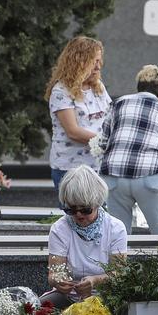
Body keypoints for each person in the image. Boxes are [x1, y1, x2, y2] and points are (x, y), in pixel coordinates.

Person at [95, 65, 158, 236]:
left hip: (114, 175)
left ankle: (116, 264)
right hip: (152, 176)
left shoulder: (119, 103)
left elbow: (103, 143)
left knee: (116, 237)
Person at [41, 165, 127, 309]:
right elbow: (54, 273)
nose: (79, 215)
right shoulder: (59, 228)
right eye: (71, 209)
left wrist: (95, 281)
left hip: (107, 297)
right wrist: (60, 281)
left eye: (85, 209)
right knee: (36, 308)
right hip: (68, 298)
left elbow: (119, 274)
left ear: (97, 203)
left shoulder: (115, 227)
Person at [45, 37, 111, 196]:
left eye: (99, 61)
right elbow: (73, 131)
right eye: (94, 61)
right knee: (75, 216)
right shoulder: (61, 91)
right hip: (70, 169)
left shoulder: (98, 87)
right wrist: (109, 142)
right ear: (80, 61)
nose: (98, 66)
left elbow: (110, 116)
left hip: (98, 166)